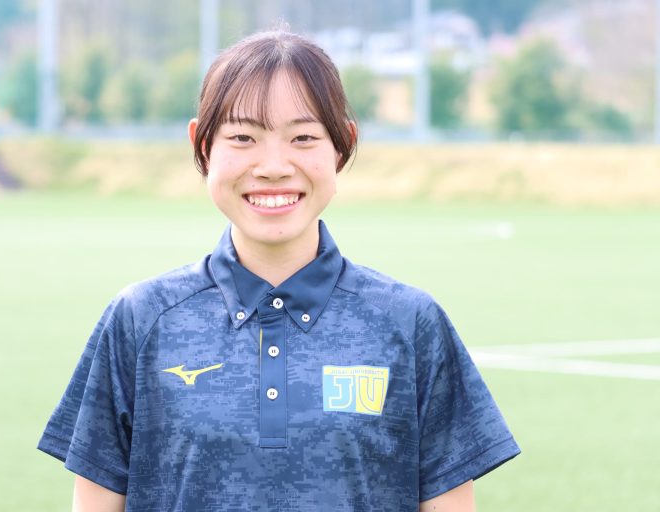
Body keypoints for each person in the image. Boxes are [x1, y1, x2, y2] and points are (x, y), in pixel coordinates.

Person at [38, 30, 520, 511]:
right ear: (202, 146)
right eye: (243, 138)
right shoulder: (140, 319)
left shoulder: (411, 322)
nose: (273, 166)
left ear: (343, 145)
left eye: (303, 137)